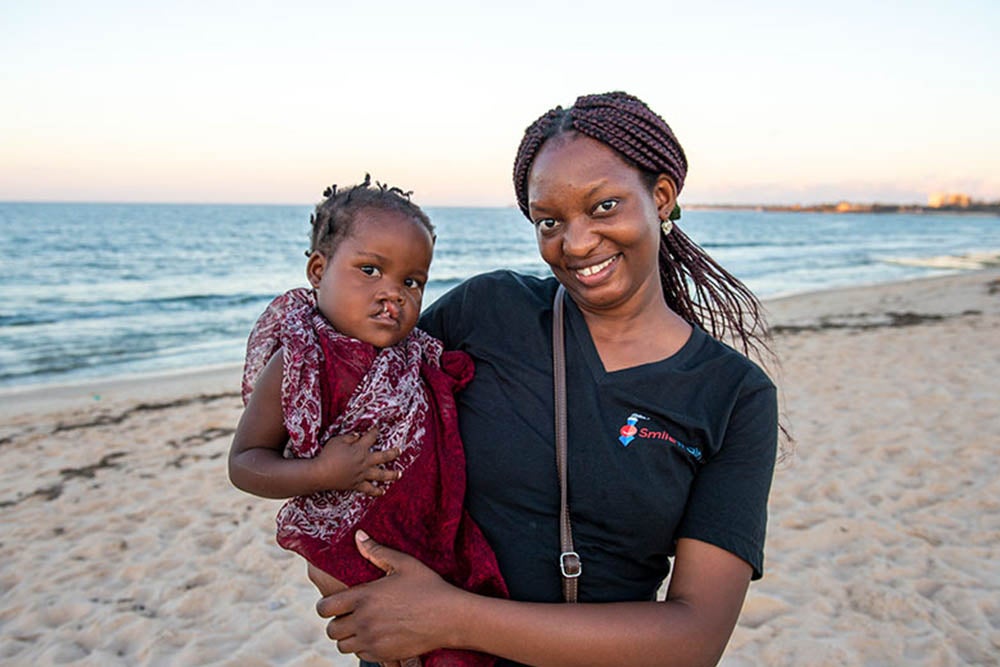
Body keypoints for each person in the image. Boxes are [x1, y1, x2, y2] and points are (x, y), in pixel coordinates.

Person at [316, 93, 781, 667]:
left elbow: (695, 638)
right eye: (550, 221)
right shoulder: (486, 312)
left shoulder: (734, 397)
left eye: (605, 206)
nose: (577, 243)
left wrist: (450, 616)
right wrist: (352, 586)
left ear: (661, 198)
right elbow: (336, 402)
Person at [228, 175, 507, 667]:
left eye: (411, 282)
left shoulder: (416, 354)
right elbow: (246, 463)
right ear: (319, 269)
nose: (393, 294)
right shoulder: (299, 362)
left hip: (431, 537)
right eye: (370, 270)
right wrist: (322, 473)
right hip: (357, 549)